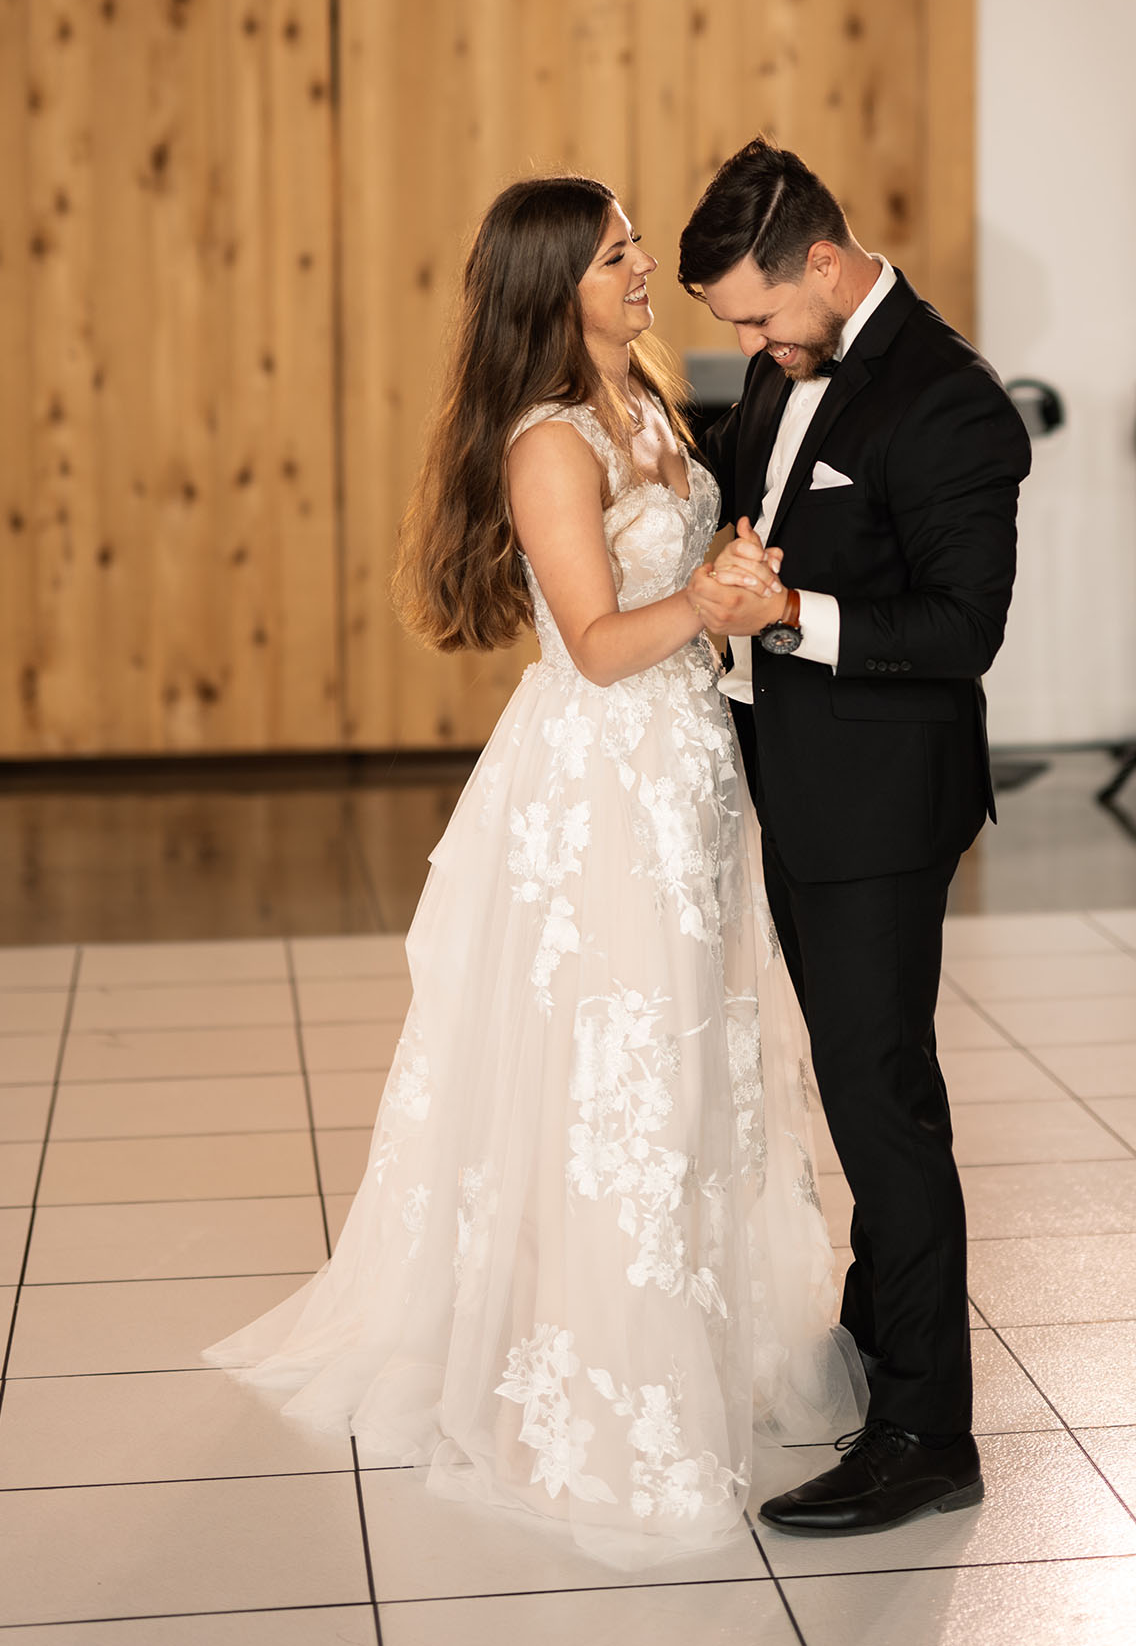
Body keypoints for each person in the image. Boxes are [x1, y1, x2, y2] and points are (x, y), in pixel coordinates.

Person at [206, 175, 862, 1561]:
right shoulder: (551, 444)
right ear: (555, 281)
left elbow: (679, 618)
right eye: (619, 254)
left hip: (687, 774)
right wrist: (714, 599)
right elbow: (597, 638)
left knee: (693, 1069)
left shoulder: (659, 412)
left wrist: (726, 591)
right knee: (609, 1082)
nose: (642, 271)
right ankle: (574, 1386)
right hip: (603, 789)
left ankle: (696, 1341)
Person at [677, 138, 1031, 1536]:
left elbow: (962, 634)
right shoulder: (791, 362)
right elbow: (744, 496)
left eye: (759, 319)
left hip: (883, 799)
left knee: (883, 1102)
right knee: (863, 1085)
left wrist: (787, 620)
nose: (751, 349)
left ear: (824, 264)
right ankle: (882, 1345)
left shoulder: (951, 405)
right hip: (807, 785)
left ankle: (930, 1433)